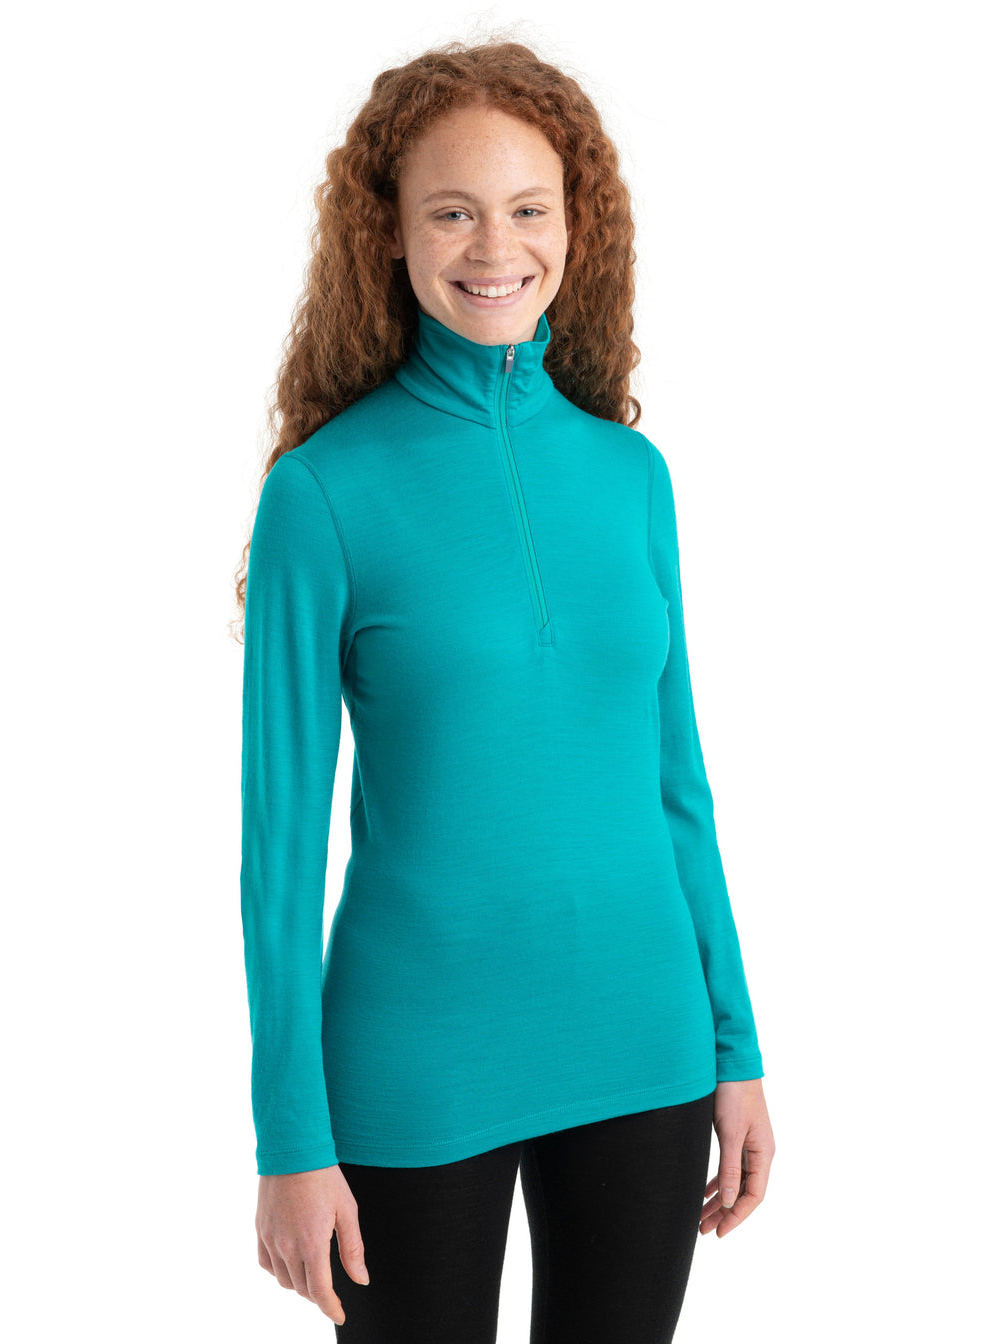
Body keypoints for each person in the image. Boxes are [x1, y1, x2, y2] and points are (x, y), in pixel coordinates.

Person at [232, 39, 774, 1344]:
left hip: (643, 1047)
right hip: (415, 1062)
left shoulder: (633, 477)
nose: (497, 247)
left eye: (530, 208)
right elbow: (277, 847)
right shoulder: (321, 493)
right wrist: (290, 1138)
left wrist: (736, 1048)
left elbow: (677, 787)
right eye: (453, 212)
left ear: (574, 226)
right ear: (390, 232)